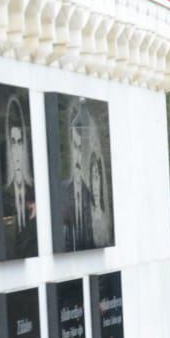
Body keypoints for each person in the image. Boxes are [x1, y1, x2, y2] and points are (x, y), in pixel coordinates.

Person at [1, 94, 37, 258]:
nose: (17, 150)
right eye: (12, 142)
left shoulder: (37, 189)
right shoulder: (3, 193)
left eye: (20, 142)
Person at [62, 104, 94, 252]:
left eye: (81, 147)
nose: (78, 154)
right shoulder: (63, 190)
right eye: (75, 146)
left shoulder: (94, 193)